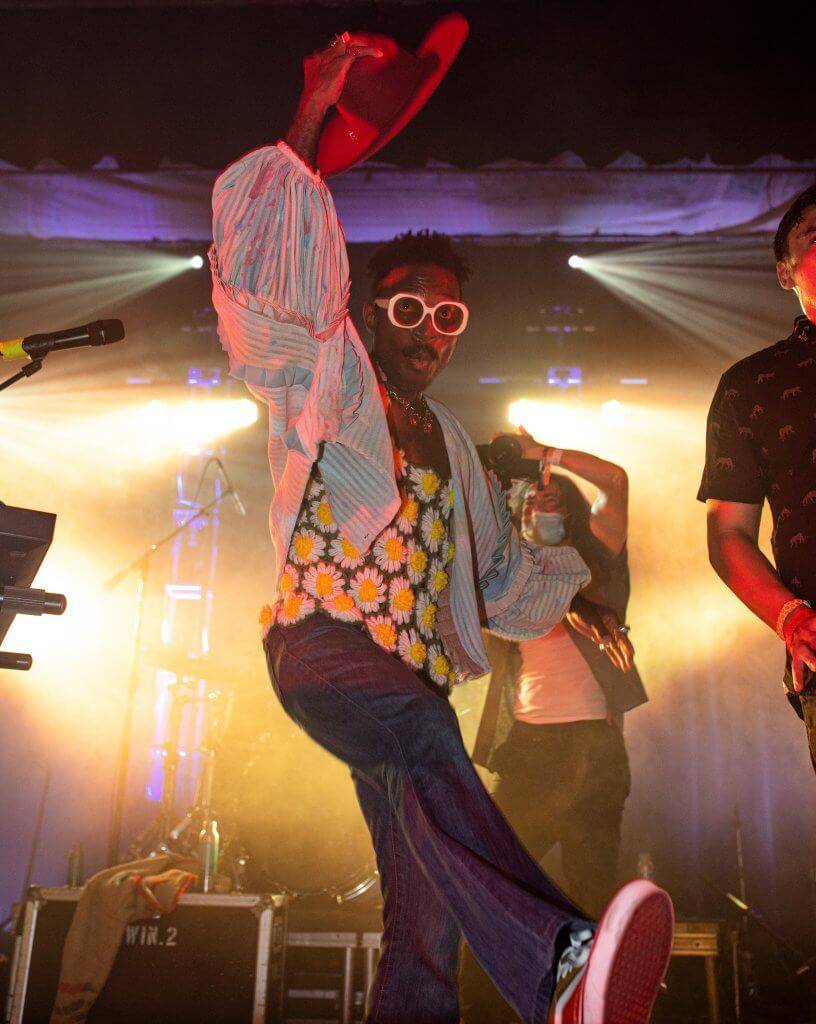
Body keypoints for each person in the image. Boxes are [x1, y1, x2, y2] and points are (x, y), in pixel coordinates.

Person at [209, 33, 673, 1023]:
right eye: (412, 307)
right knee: (424, 732)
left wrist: (548, 539)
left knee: (425, 919)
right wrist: (310, 116)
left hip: (410, 688)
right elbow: (270, 290)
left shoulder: (457, 444)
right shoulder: (327, 383)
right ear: (373, 314)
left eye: (449, 317)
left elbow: (503, 589)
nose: (431, 329)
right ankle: (559, 963)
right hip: (325, 650)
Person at [460, 446, 648, 1022]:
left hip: (592, 752)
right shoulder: (509, 576)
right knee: (494, 892)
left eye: (554, 493)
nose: (543, 497)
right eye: (531, 495)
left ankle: (591, 1010)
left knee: (593, 903)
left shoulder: (598, 566)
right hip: (529, 757)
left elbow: (615, 479)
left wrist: (548, 455)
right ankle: (484, 1009)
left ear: (569, 509)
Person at [699, 183, 816, 772]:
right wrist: (792, 617)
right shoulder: (751, 386)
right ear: (784, 272)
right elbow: (728, 536)